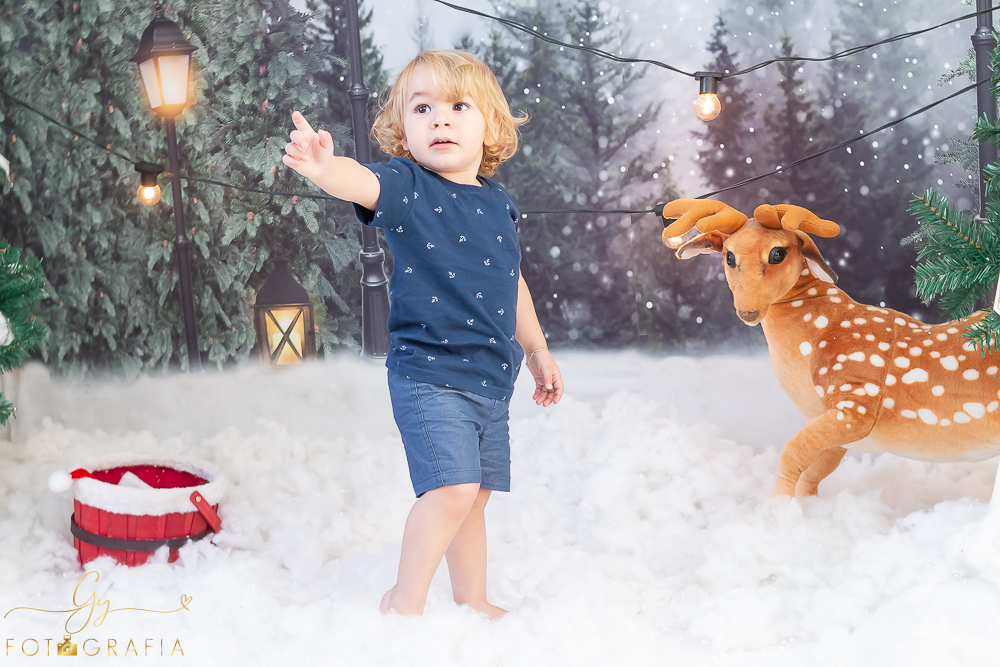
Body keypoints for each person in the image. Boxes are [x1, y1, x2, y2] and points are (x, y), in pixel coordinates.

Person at [281, 49, 563, 619]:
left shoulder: (499, 206)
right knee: (450, 491)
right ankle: (402, 601)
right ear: (402, 130)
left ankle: (472, 598)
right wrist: (324, 168)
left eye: (459, 106)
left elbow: (512, 285)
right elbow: (359, 182)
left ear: (490, 128)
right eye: (422, 107)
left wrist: (536, 348)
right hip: (429, 373)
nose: (440, 118)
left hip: (489, 380)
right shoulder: (408, 186)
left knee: (474, 498)